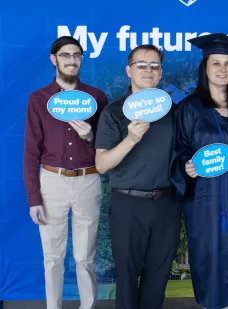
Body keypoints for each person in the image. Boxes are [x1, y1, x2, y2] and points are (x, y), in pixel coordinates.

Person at [169, 33, 228, 309]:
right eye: (216, 63)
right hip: (206, 202)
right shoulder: (189, 108)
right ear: (205, 68)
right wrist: (186, 164)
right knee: (209, 260)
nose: (223, 69)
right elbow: (179, 147)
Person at [23, 36, 108, 309]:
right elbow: (30, 152)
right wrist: (34, 197)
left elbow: (106, 146)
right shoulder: (38, 99)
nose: (72, 60)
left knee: (85, 258)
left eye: (77, 55)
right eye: (65, 55)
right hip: (52, 181)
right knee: (52, 257)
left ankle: (88, 306)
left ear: (81, 59)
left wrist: (91, 135)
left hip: (88, 179)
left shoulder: (97, 97)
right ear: (54, 59)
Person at [94, 44, 182, 309]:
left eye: (155, 65)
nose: (148, 70)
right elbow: (101, 164)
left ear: (160, 73)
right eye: (142, 65)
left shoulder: (173, 111)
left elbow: (183, 154)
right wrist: (130, 139)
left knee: (158, 277)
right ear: (129, 70)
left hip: (167, 204)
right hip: (128, 205)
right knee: (127, 278)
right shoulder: (113, 112)